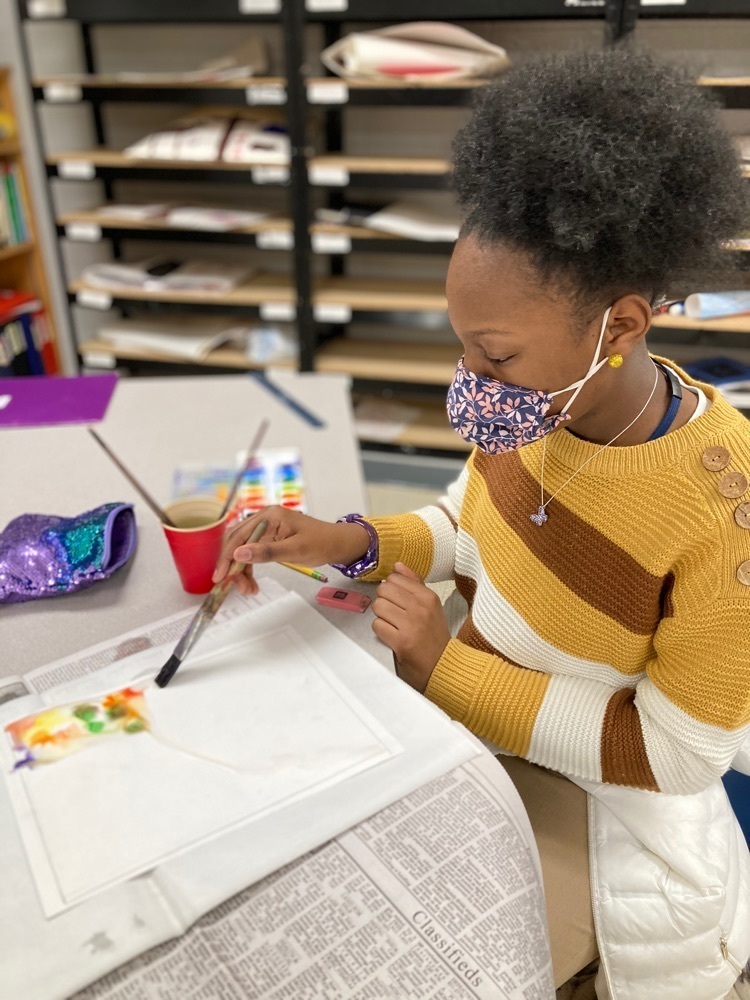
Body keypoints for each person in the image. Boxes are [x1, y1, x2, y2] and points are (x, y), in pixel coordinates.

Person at [215, 50, 750, 1000]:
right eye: (464, 348)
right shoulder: (544, 406)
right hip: (481, 728)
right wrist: (343, 543)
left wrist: (444, 669)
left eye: (495, 356)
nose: (473, 386)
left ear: (620, 327)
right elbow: (470, 524)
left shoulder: (721, 509)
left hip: (608, 803)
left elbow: (674, 755)